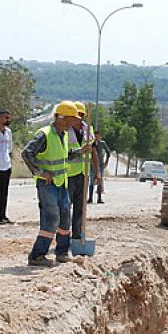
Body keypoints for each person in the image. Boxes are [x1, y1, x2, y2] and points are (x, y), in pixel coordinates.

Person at [22, 101, 80, 267]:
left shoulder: (62, 135)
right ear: (61, 118)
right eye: (71, 119)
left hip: (61, 184)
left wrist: (79, 152)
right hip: (47, 185)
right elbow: (27, 153)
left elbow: (63, 156)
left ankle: (62, 252)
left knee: (64, 218)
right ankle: (37, 255)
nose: (73, 122)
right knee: (52, 218)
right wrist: (40, 172)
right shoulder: (45, 134)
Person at [67, 102, 99, 240]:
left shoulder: (88, 129)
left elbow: (93, 151)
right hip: (68, 174)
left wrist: (97, 172)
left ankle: (77, 236)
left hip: (83, 174)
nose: (78, 118)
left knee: (80, 207)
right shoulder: (65, 130)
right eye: (76, 115)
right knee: (65, 207)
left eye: (81, 115)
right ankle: (63, 236)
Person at [88, 137, 111, 204]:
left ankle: (99, 198)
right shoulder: (91, 143)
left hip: (100, 165)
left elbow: (108, 152)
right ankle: (90, 198)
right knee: (91, 182)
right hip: (92, 166)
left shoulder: (102, 143)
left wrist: (106, 162)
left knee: (99, 182)